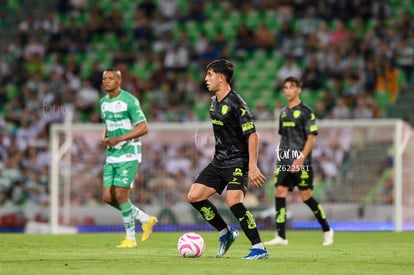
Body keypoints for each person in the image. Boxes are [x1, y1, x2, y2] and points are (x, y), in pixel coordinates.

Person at [186, 59, 269, 259]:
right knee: (194, 196)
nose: (206, 79)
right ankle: (226, 232)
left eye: (210, 75)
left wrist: (252, 166)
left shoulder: (236, 103)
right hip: (220, 160)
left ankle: (259, 247)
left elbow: (253, 135)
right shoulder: (214, 102)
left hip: (237, 161)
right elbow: (223, 132)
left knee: (233, 200)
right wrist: (217, 149)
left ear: (221, 78)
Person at [265, 76, 334, 246]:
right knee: (279, 192)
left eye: (291, 87)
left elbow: (311, 138)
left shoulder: (306, 112)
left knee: (306, 196)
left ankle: (327, 229)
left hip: (301, 162)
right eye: (286, 87)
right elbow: (282, 137)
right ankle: (281, 236)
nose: (288, 90)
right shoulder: (282, 112)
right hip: (284, 162)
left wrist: (300, 159)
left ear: (299, 90)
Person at [99, 68, 157, 248]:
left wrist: (120, 138)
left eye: (111, 78)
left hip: (129, 152)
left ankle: (130, 238)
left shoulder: (129, 101)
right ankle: (145, 219)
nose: (106, 81)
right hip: (112, 154)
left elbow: (143, 127)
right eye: (104, 79)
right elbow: (109, 125)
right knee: (108, 198)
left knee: (120, 195)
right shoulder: (102, 103)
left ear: (119, 81)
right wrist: (107, 138)